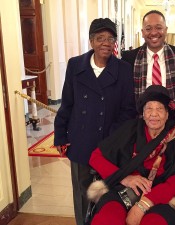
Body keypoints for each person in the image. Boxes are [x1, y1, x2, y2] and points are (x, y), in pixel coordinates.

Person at [54, 18, 136, 225]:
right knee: (82, 193)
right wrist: (60, 136)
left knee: (108, 193)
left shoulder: (124, 69)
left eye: (110, 39)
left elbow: (128, 110)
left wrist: (113, 140)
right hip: (80, 141)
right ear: (91, 41)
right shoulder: (75, 65)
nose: (106, 43)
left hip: (110, 145)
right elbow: (67, 103)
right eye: (100, 38)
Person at [87, 85, 175, 225]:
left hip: (160, 197)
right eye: (149, 108)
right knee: (107, 220)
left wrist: (143, 205)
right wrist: (125, 178)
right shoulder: (130, 129)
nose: (153, 114)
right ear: (143, 112)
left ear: (167, 114)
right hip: (122, 190)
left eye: (159, 109)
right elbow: (96, 157)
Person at [121, 10, 175, 104]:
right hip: (139, 116)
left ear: (166, 30)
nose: (154, 33)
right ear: (143, 32)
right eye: (148, 29)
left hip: (173, 116)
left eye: (159, 28)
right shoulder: (129, 58)